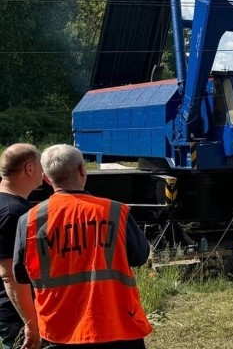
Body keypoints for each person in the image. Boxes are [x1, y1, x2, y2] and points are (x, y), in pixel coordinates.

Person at [13, 145, 152, 348]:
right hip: (115, 325)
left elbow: (21, 275)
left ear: (46, 178)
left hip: (59, 330)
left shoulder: (29, 221)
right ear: (82, 170)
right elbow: (140, 256)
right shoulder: (116, 212)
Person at [0, 144, 43, 349]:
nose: (44, 170)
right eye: (41, 165)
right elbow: (10, 275)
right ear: (29, 168)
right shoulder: (13, 213)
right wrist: (31, 323)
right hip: (18, 314)